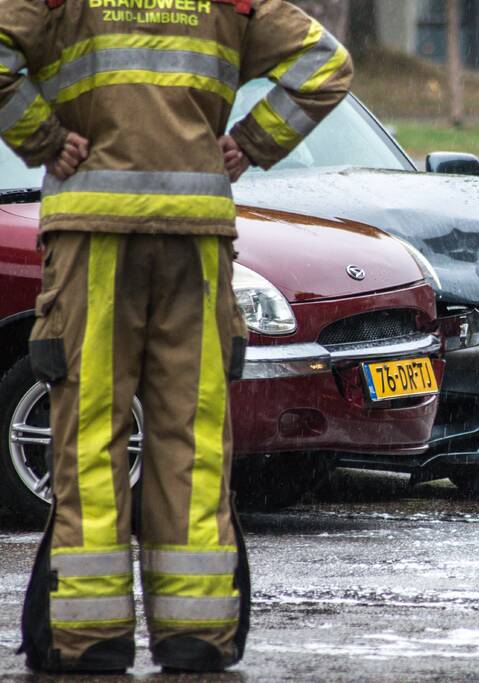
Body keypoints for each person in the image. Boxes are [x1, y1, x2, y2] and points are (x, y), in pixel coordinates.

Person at [0, 0, 352, 673]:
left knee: (92, 433)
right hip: (195, 242)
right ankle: (196, 632)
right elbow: (324, 65)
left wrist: (41, 137)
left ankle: (88, 637)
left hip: (93, 238)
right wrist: (251, 142)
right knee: (190, 436)